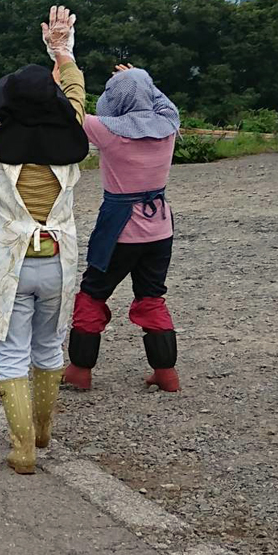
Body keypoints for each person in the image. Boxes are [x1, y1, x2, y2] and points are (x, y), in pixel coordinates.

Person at [0, 7, 90, 474]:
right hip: (59, 263)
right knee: (48, 346)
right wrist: (61, 50)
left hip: (11, 266)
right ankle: (44, 430)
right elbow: (75, 90)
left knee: (11, 352)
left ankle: (23, 448)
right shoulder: (74, 132)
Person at [64, 65, 182, 393]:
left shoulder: (106, 130)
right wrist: (141, 80)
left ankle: (80, 370)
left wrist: (61, 70)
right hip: (160, 228)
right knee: (152, 295)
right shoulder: (168, 125)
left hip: (120, 228)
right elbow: (164, 104)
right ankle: (166, 373)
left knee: (92, 293)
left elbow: (70, 112)